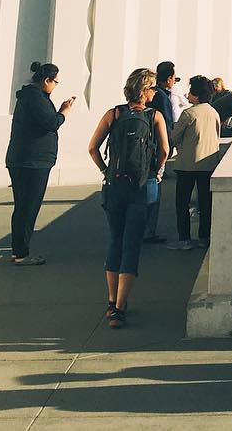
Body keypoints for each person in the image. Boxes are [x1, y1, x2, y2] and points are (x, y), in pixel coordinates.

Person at [88, 67, 169, 329]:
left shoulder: (114, 113)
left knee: (116, 241)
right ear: (144, 90)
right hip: (141, 187)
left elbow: (92, 148)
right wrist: (156, 173)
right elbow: (165, 150)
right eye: (153, 88)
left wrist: (105, 171)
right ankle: (121, 306)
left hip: (115, 186)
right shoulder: (154, 116)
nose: (155, 92)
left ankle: (111, 302)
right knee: (132, 244)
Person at [5, 61, 76, 265]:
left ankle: (18, 250)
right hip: (32, 161)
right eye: (55, 82)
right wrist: (64, 112)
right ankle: (21, 253)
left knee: (22, 207)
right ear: (46, 80)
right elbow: (51, 123)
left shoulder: (31, 97)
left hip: (25, 159)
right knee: (28, 207)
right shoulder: (35, 98)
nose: (55, 86)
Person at [167, 74, 222, 251]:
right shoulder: (213, 112)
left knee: (182, 203)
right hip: (208, 164)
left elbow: (174, 137)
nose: (188, 95)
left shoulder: (189, 113)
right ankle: (204, 237)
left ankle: (184, 239)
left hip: (187, 165)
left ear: (196, 94)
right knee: (205, 203)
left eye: (190, 92)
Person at [143, 60, 178, 242]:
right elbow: (166, 125)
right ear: (170, 79)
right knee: (153, 191)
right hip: (156, 150)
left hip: (144, 148)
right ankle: (148, 231)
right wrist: (167, 151)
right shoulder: (162, 97)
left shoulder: (147, 97)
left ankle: (138, 229)